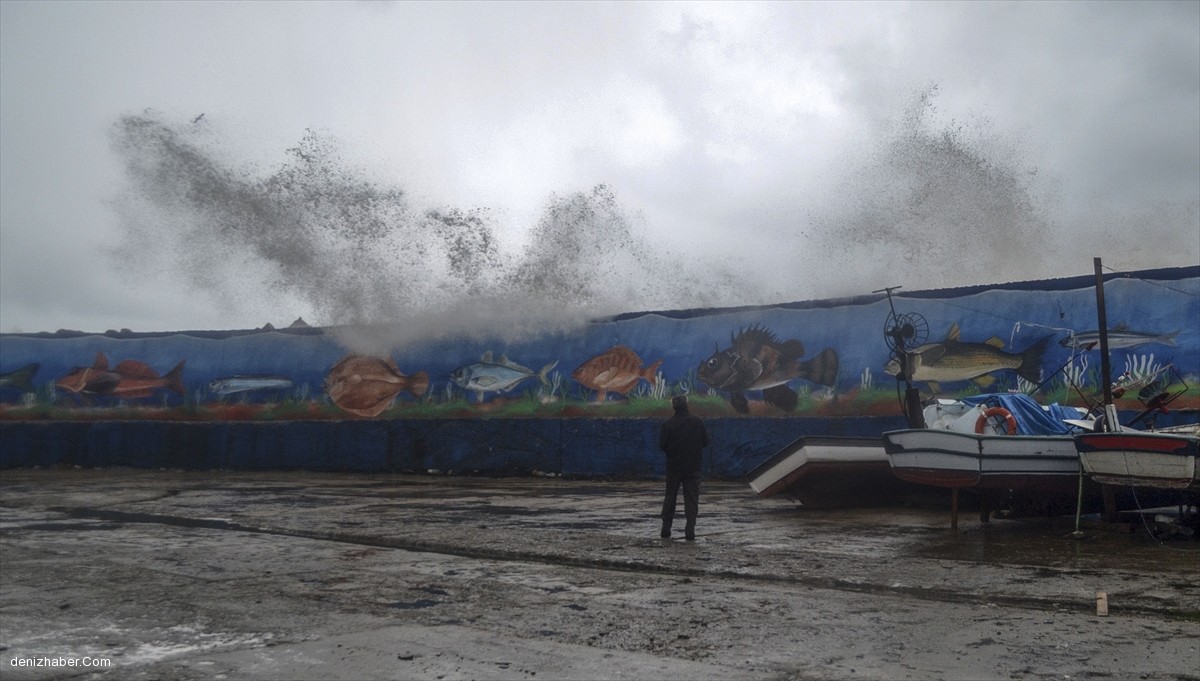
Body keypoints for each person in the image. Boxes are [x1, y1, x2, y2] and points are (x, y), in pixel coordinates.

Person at [658, 394, 710, 540]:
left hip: (673, 467)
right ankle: (690, 530)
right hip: (693, 466)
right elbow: (706, 441)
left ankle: (666, 528)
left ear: (673, 407)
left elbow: (662, 445)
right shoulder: (697, 422)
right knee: (691, 499)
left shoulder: (668, 424)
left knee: (670, 497)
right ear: (686, 405)